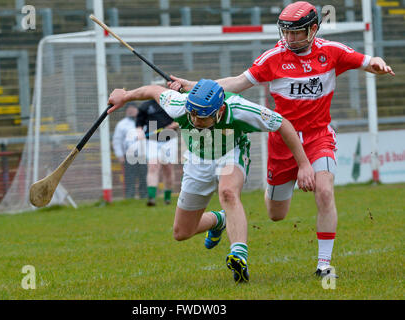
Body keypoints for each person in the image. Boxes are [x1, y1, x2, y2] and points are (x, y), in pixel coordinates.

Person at [168, 1, 395, 278]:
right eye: (285, 32)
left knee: (324, 191)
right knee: (276, 214)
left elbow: (365, 61)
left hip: (318, 135)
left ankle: (324, 265)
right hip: (282, 142)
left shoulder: (331, 52)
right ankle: (226, 218)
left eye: (296, 32)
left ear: (313, 29)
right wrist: (195, 86)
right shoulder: (273, 58)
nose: (289, 38)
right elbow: (237, 82)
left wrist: (377, 63)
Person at [107, 79, 315, 283]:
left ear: (220, 110)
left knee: (228, 192)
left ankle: (238, 256)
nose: (196, 122)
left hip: (230, 153)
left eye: (203, 118)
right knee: (181, 233)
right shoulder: (180, 105)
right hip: (197, 160)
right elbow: (152, 90)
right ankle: (219, 220)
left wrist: (304, 164)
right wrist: (124, 96)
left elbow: (283, 124)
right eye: (193, 116)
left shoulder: (240, 109)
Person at [136, 78, 179, 206]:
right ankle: (151, 198)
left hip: (169, 139)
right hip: (153, 141)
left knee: (168, 169)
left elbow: (182, 119)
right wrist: (140, 133)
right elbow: (139, 125)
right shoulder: (145, 106)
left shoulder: (173, 103)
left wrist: (173, 125)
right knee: (153, 166)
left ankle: (167, 198)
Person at [112, 102, 147, 199]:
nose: (131, 110)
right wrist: (120, 155)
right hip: (129, 155)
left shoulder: (144, 122)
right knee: (129, 177)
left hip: (143, 154)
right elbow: (117, 140)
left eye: (133, 108)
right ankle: (129, 197)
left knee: (144, 176)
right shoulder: (122, 124)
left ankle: (144, 196)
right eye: (129, 109)